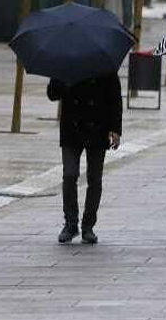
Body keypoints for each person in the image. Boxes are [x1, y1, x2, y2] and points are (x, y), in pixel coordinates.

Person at [48, 73, 122, 245]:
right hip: (71, 127)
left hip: (98, 127)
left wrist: (115, 129)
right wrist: (64, 81)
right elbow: (52, 94)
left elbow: (115, 99)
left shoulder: (105, 65)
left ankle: (88, 226)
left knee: (94, 178)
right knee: (69, 174)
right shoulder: (65, 63)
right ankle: (71, 224)